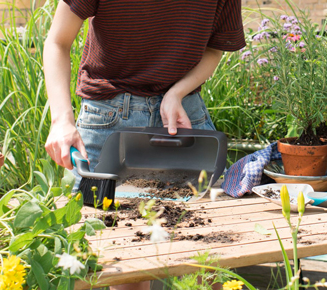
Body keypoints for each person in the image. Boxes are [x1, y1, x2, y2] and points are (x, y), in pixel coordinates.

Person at [43, 0, 245, 289]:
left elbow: (214, 48)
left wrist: (177, 92)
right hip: (109, 123)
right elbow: (57, 42)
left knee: (208, 261)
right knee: (114, 265)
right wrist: (61, 120)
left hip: (183, 121)